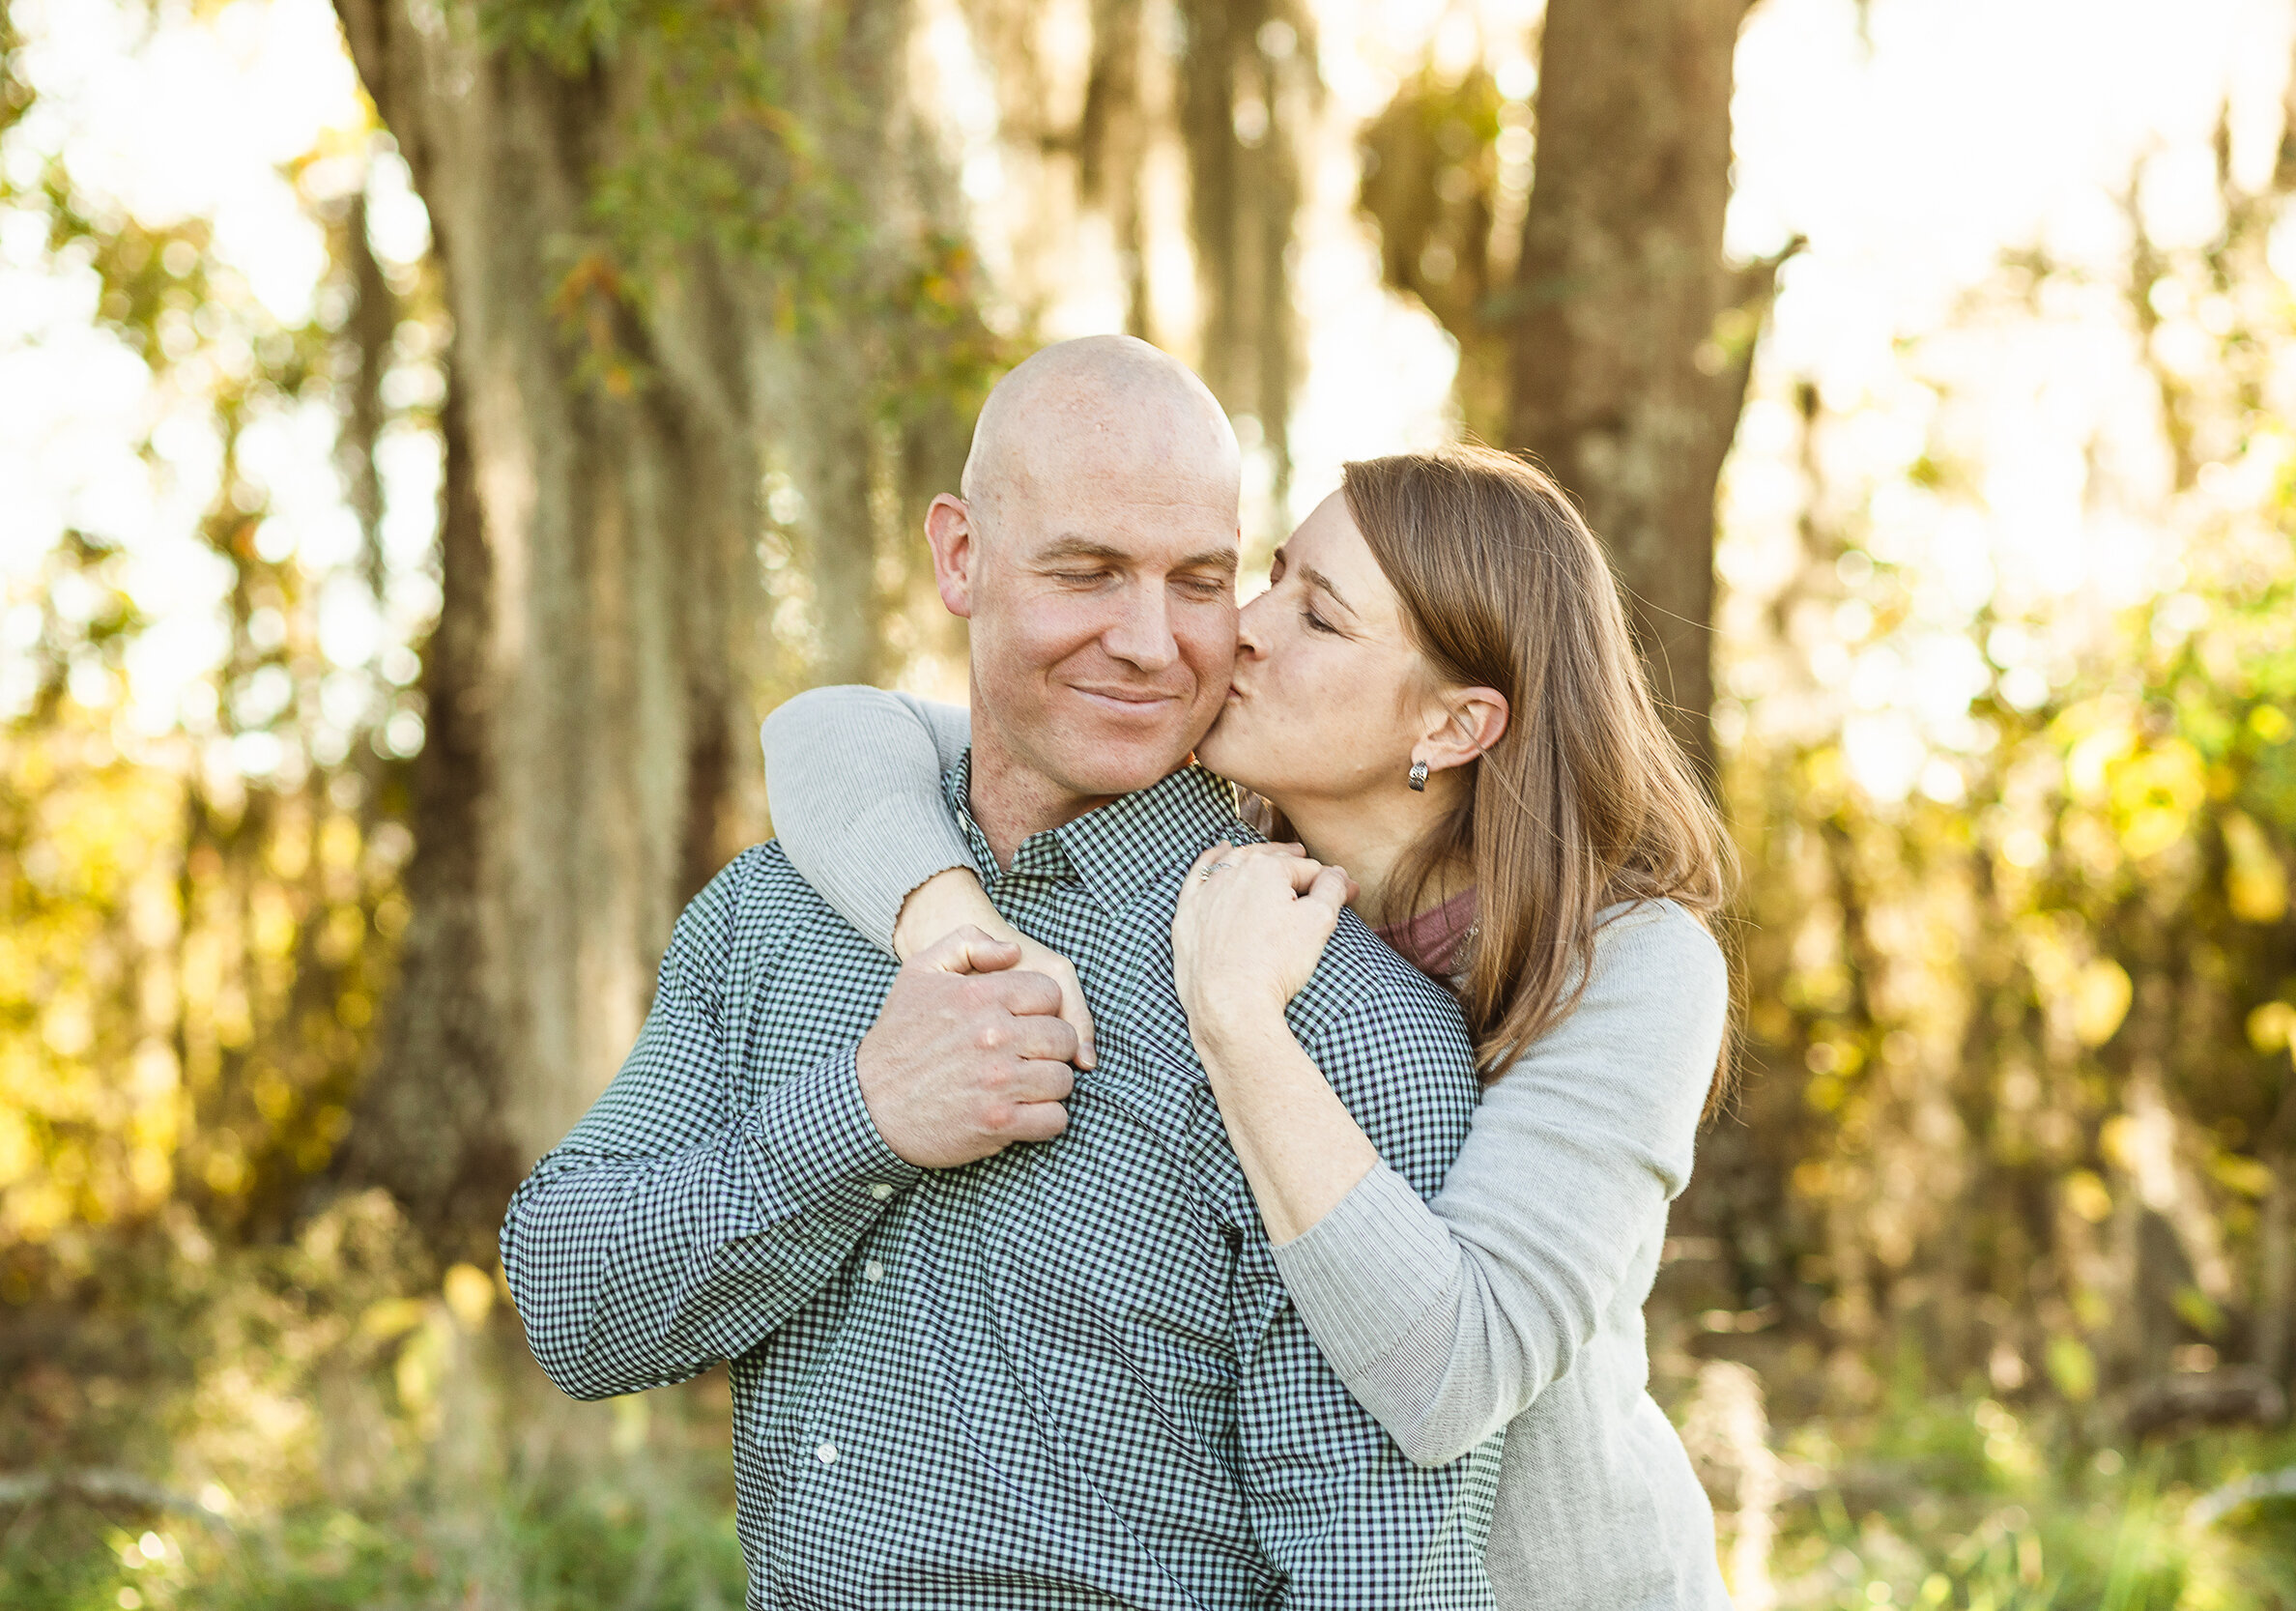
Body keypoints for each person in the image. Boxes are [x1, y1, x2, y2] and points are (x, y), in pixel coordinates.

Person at [501, 336, 1502, 1610]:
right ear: (960, 555)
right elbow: (572, 1305)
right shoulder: (774, 913)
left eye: (1199, 581)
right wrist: (858, 1120)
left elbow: (1382, 1576)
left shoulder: (1343, 1028)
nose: (1151, 642)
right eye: (1086, 572)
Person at [763, 443, 1736, 1609]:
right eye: (1271, 576)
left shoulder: (1632, 962)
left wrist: (1237, 1022)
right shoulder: (1224, 830)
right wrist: (957, 924)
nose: (1244, 628)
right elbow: (827, 733)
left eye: (1316, 616)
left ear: (1454, 723)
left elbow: (1453, 1371)